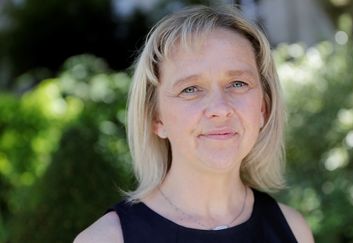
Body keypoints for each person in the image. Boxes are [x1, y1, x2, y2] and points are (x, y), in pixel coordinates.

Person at [74, 5, 314, 243]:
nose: (220, 109)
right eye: (190, 89)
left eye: (238, 83)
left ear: (263, 108)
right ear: (156, 118)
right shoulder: (106, 239)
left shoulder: (294, 230)